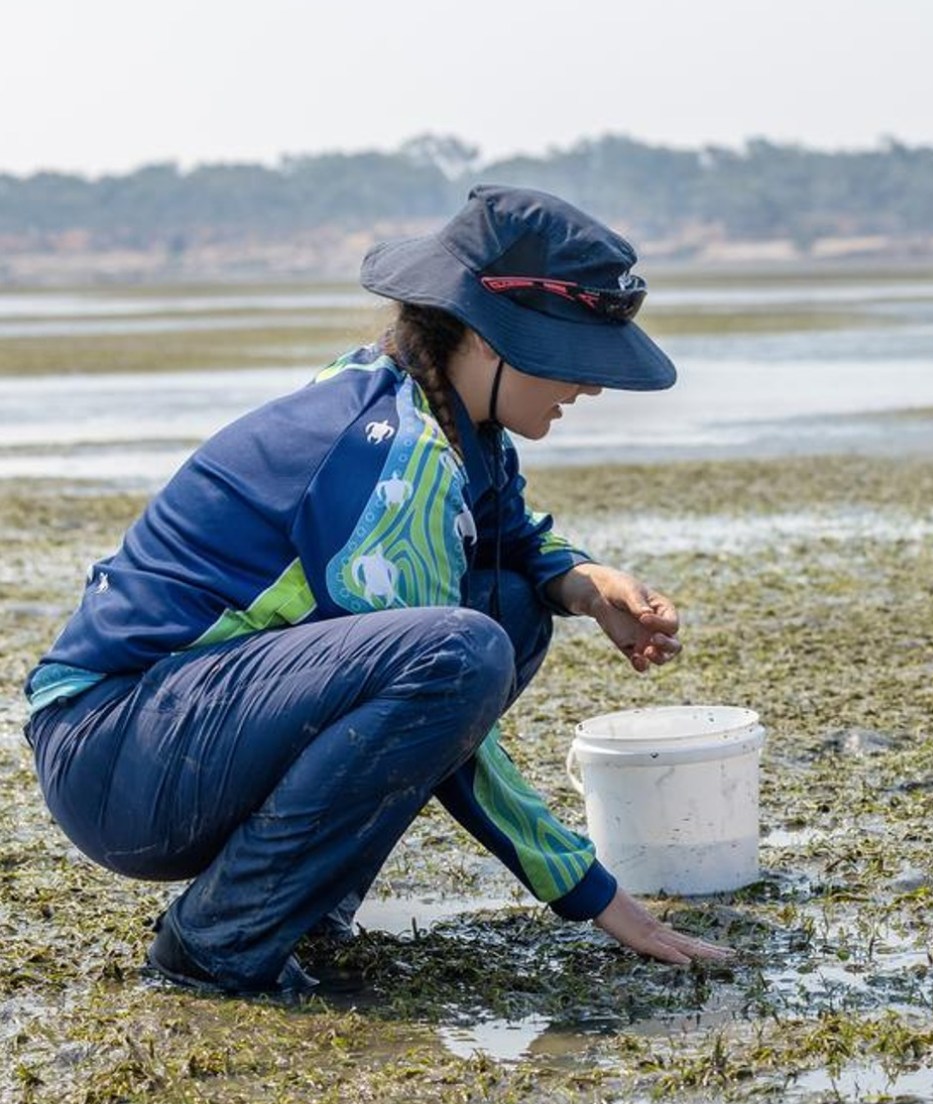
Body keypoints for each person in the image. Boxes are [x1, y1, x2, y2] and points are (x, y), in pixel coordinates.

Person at [24, 185, 733, 996]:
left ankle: (300, 905)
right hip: (117, 752)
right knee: (464, 648)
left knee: (506, 605)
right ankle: (217, 943)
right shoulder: (397, 459)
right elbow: (445, 700)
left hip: (172, 731)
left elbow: (498, 528)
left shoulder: (431, 407)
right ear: (489, 336)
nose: (592, 386)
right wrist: (594, 894)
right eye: (574, 356)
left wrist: (580, 582)